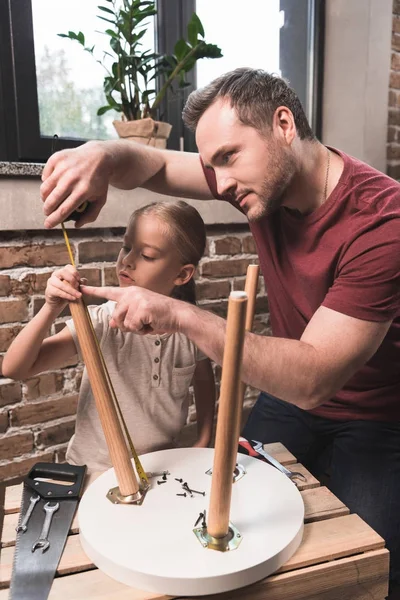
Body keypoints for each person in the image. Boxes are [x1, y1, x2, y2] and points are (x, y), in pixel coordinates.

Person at [39, 67, 400, 595]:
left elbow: (315, 377)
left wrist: (176, 312)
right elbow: (156, 162)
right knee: (229, 534)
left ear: (282, 125)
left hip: (373, 414)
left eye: (229, 157)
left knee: (369, 567)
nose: (221, 183)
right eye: (211, 165)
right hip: (288, 401)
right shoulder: (255, 181)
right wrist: (103, 155)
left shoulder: (382, 221)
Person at [3, 200, 216, 474]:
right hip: (96, 470)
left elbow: (202, 376)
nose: (127, 260)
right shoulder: (102, 321)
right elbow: (15, 368)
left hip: (162, 467)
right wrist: (51, 307)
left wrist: (204, 437)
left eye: (147, 255)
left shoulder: (190, 326)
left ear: (182, 274)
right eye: (126, 247)